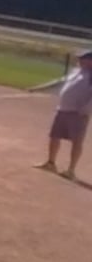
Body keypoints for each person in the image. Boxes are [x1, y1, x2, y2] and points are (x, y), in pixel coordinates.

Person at [39, 49, 92, 180]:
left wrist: (86, 109)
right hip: (62, 109)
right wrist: (40, 87)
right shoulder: (76, 71)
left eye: (83, 58)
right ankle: (51, 163)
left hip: (78, 113)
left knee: (76, 142)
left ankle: (71, 170)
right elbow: (60, 82)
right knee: (54, 136)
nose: (79, 60)